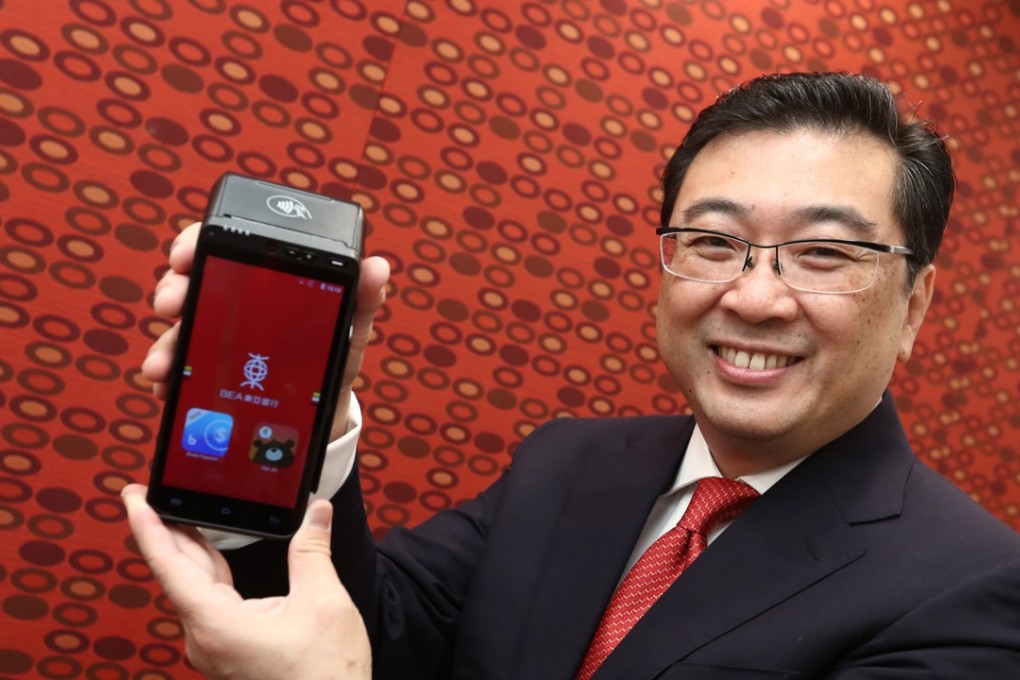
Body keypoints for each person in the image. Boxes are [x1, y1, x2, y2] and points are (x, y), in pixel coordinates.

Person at [136, 72, 1020, 678]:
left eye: (823, 253)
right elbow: (375, 627)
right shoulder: (569, 464)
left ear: (912, 305)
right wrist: (310, 424)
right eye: (713, 243)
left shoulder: (973, 590)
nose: (754, 298)